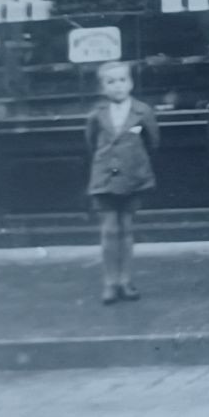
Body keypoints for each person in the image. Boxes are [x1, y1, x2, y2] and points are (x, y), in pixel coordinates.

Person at [84, 61, 159, 305]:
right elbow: (91, 141)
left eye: (122, 80)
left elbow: (153, 142)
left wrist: (134, 163)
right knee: (109, 230)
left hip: (132, 177)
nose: (117, 86)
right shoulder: (97, 114)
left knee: (127, 228)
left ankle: (126, 280)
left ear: (131, 83)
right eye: (111, 82)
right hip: (105, 177)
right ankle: (110, 282)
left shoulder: (142, 111)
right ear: (102, 87)